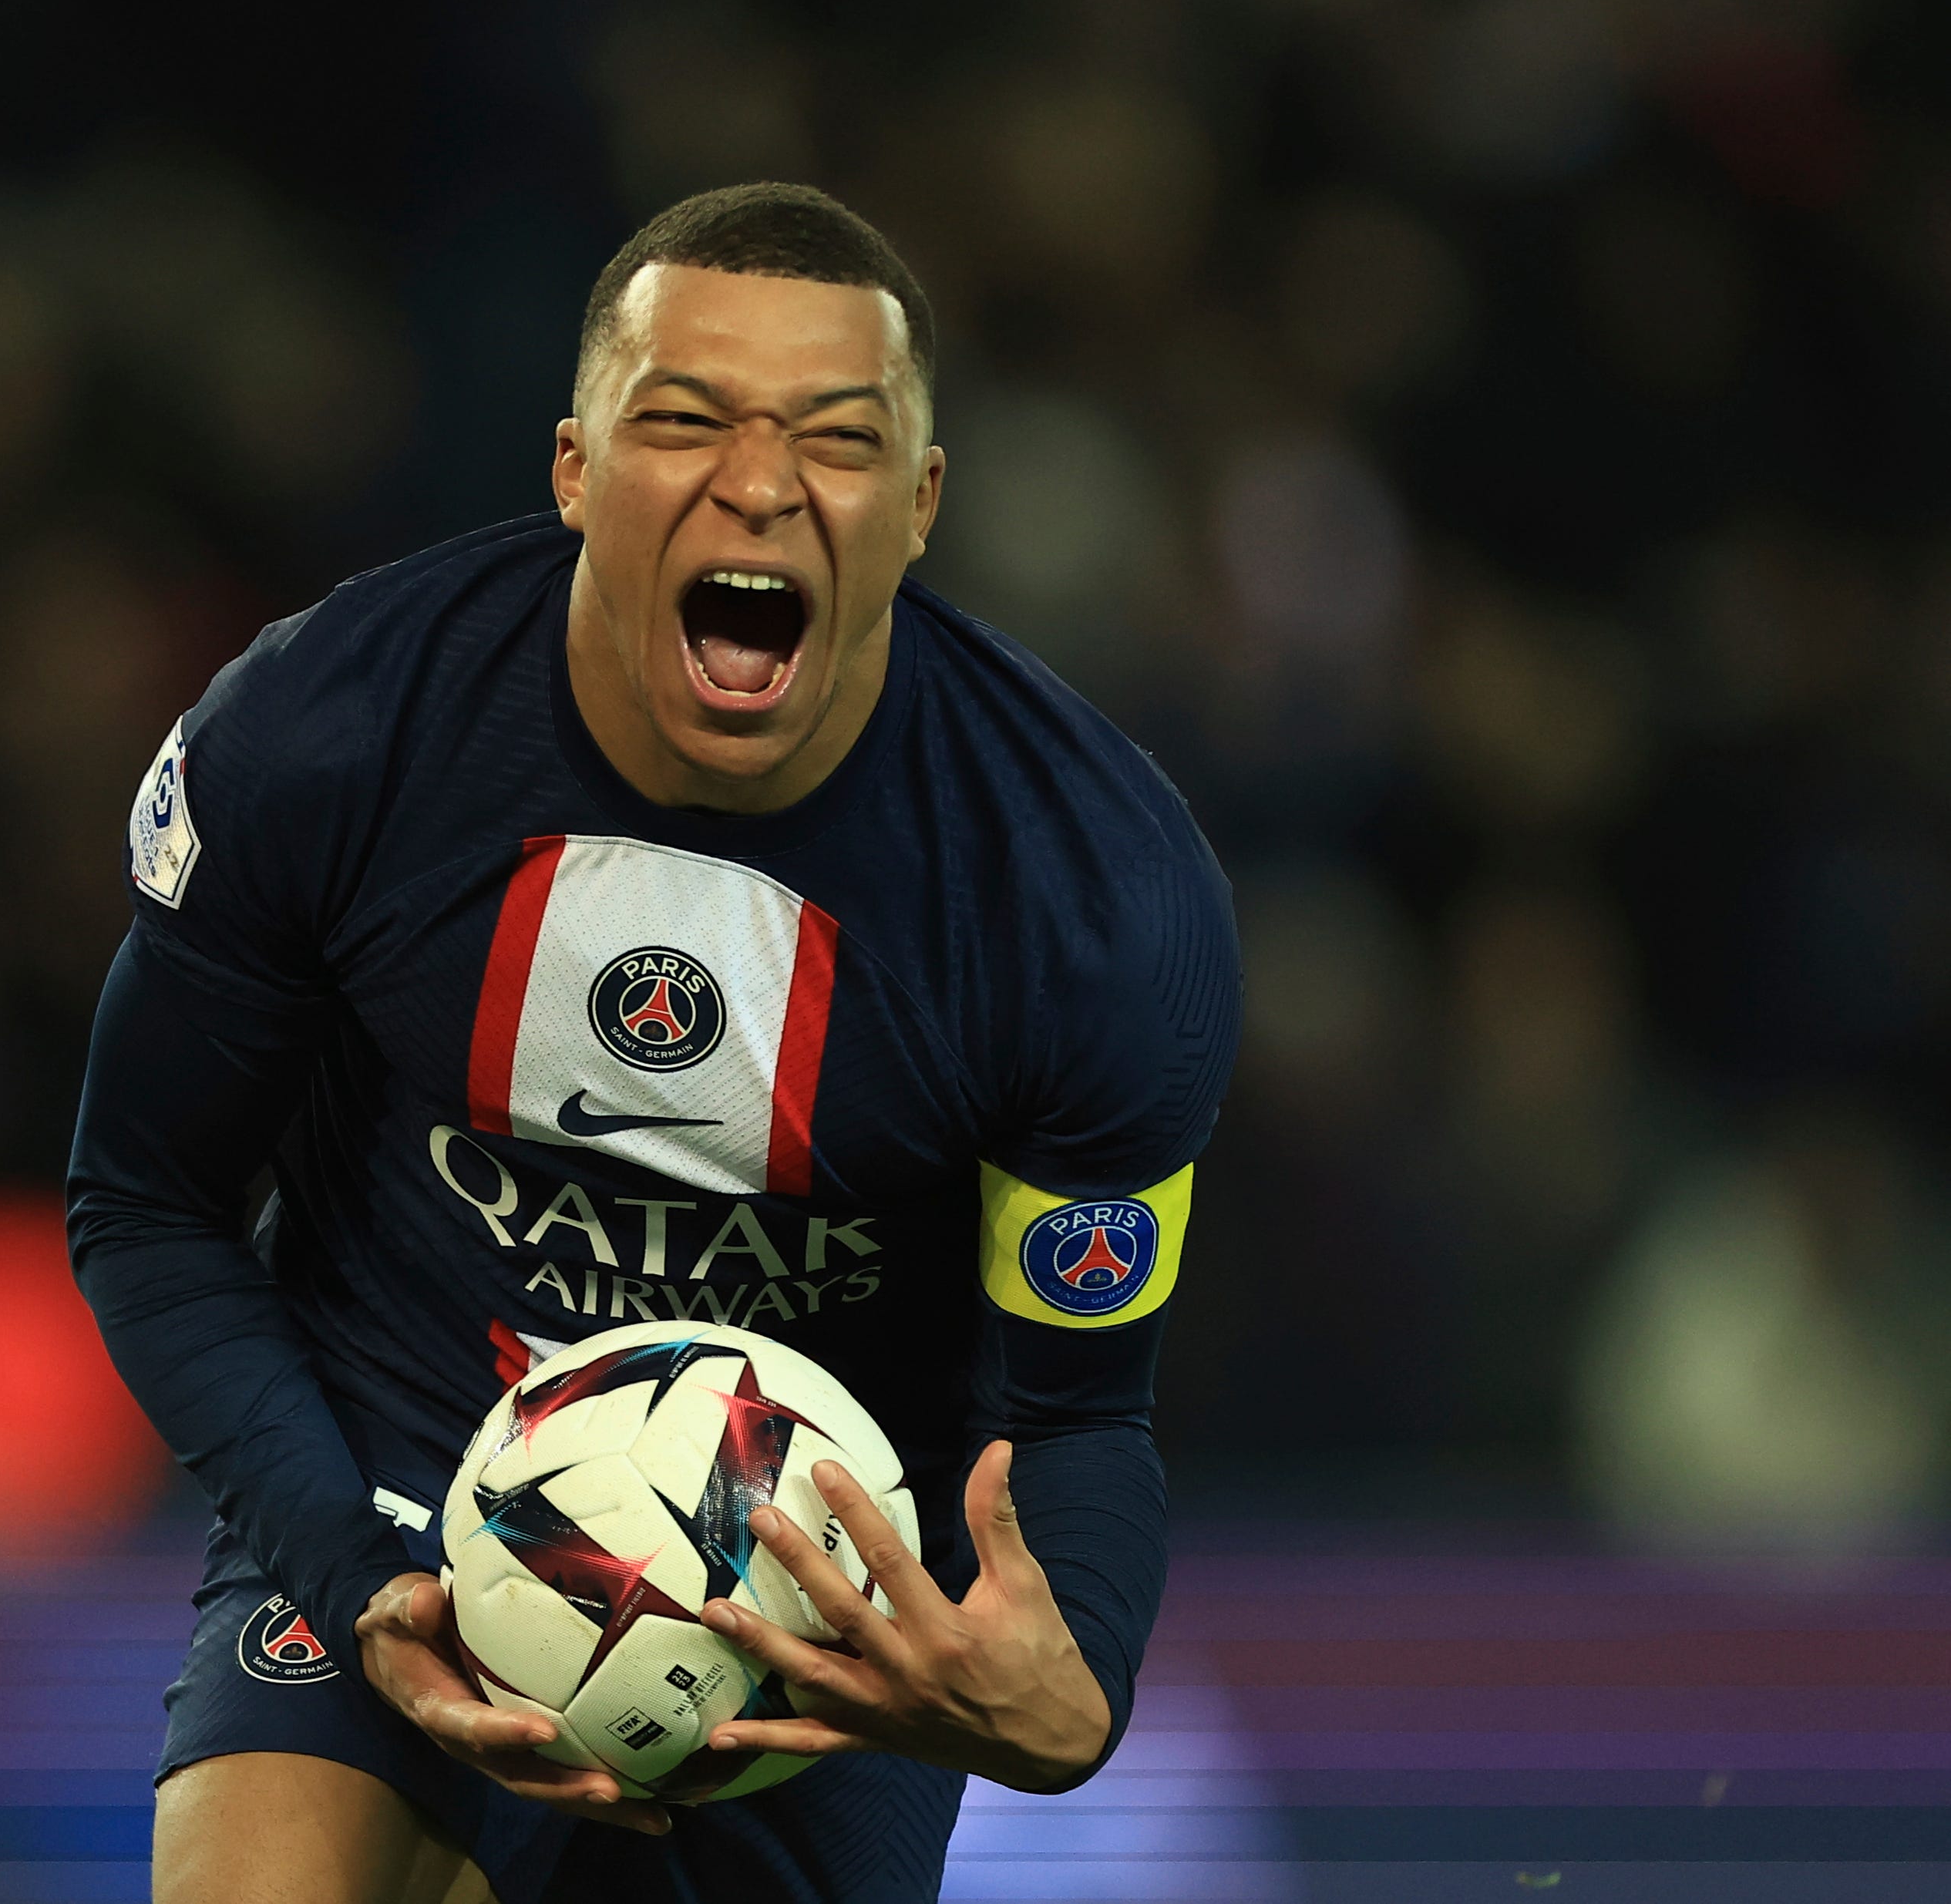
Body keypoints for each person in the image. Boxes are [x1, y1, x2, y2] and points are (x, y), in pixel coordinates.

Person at [67, 183, 1240, 1904]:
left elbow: (1076, 1411)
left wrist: (1074, 1678)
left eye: (833, 441)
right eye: (682, 419)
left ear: (918, 508)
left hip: (809, 1609)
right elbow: (147, 1207)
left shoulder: (1092, 906)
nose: (755, 483)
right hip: (401, 1504)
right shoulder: (330, 738)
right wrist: (347, 1574)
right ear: (570, 470)